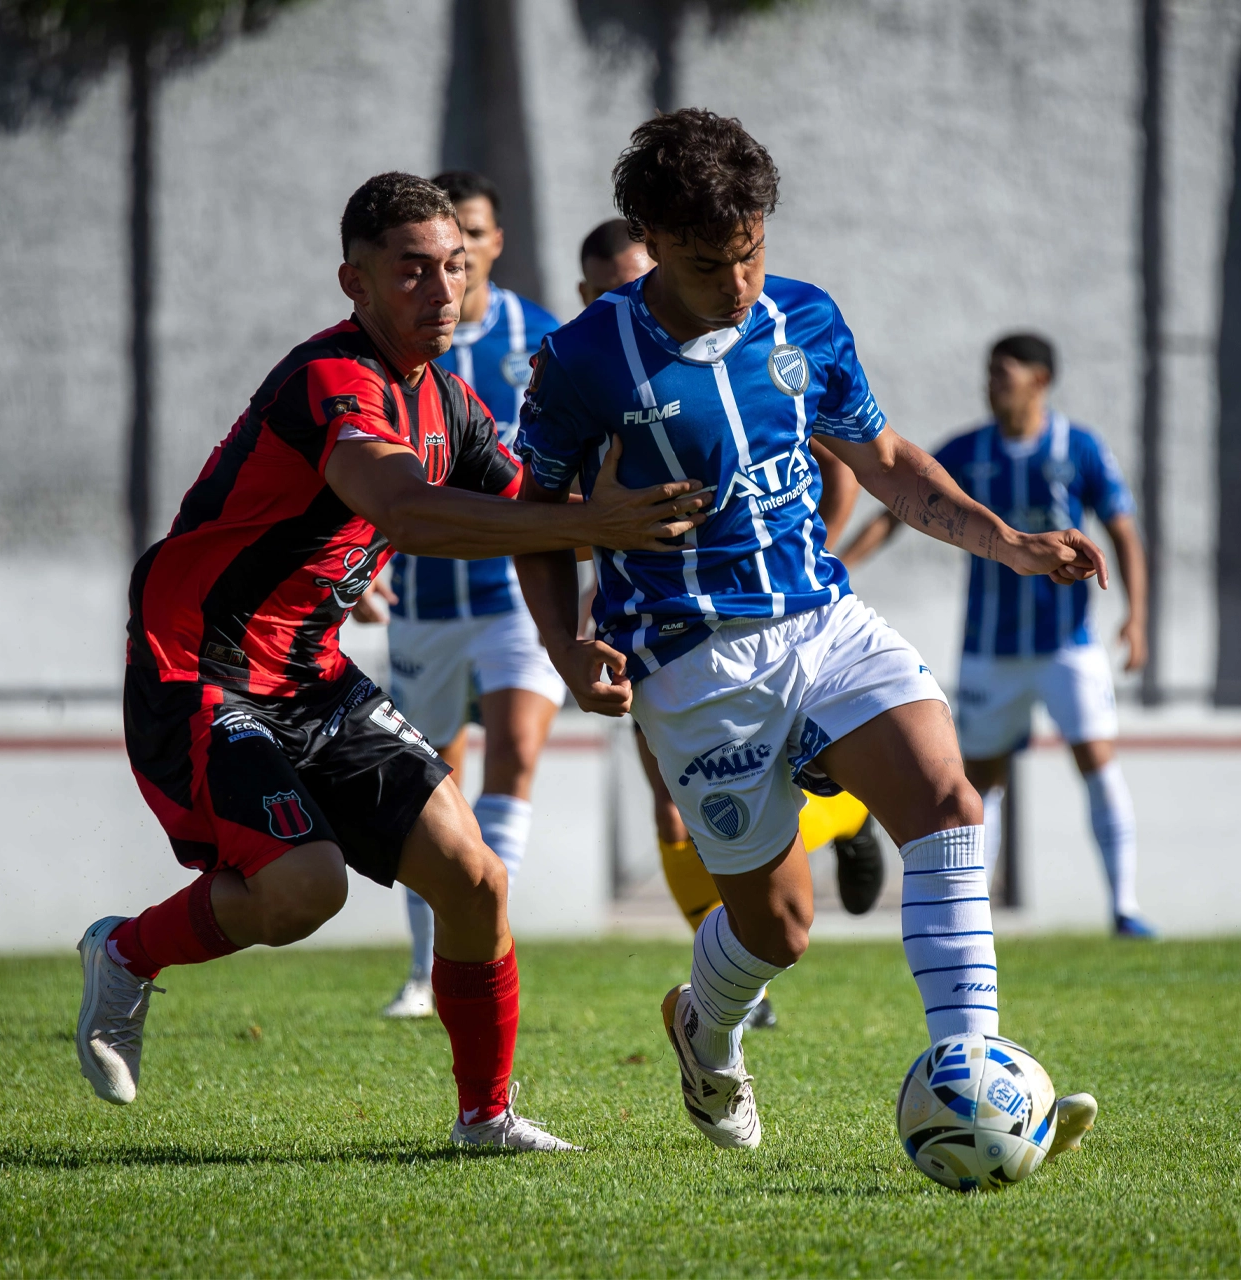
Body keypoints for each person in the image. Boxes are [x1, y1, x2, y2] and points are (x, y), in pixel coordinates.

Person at [74, 171, 712, 1152]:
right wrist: (593, 518)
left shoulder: (450, 400)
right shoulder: (334, 379)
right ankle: (124, 951)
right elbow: (407, 509)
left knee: (476, 879)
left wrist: (583, 631)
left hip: (311, 673)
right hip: (202, 669)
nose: (439, 288)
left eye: (453, 265)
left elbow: (535, 523)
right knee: (304, 888)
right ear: (355, 284)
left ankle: (485, 1115)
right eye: (411, 269)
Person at [513, 111, 1102, 1153]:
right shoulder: (581, 360)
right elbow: (536, 518)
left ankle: (977, 1085)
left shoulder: (806, 319)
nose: (738, 280)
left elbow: (883, 459)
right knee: (779, 927)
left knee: (951, 802)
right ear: (649, 237)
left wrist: (1007, 541)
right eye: (707, 263)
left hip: (824, 620)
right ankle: (705, 1026)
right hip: (692, 661)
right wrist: (565, 646)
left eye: (751, 252)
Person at [580, 223, 888, 1033]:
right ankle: (738, 993)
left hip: (770, 620)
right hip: (646, 625)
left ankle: (843, 822)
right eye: (601, 285)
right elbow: (550, 520)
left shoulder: (752, 344)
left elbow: (835, 449)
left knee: (708, 814)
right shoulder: (588, 363)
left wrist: (810, 534)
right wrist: (598, 531)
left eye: (634, 276)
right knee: (672, 811)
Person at [839, 333, 1156, 937]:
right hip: (990, 650)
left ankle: (1125, 906)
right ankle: (973, 917)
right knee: (980, 779)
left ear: (1039, 380)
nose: (991, 385)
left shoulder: (1079, 448)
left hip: (1068, 645)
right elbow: (898, 512)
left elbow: (1124, 533)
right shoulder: (968, 449)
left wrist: (1136, 618)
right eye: (988, 374)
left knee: (1096, 759)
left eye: (1003, 374)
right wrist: (840, 567)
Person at [366, 171, 568, 1021]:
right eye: (452, 239)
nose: (467, 252)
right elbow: (369, 461)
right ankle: (425, 968)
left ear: (493, 241)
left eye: (477, 235)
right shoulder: (393, 349)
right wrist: (364, 559)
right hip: (424, 599)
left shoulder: (544, 337)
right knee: (433, 787)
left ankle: (483, 936)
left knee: (517, 750)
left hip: (514, 594)